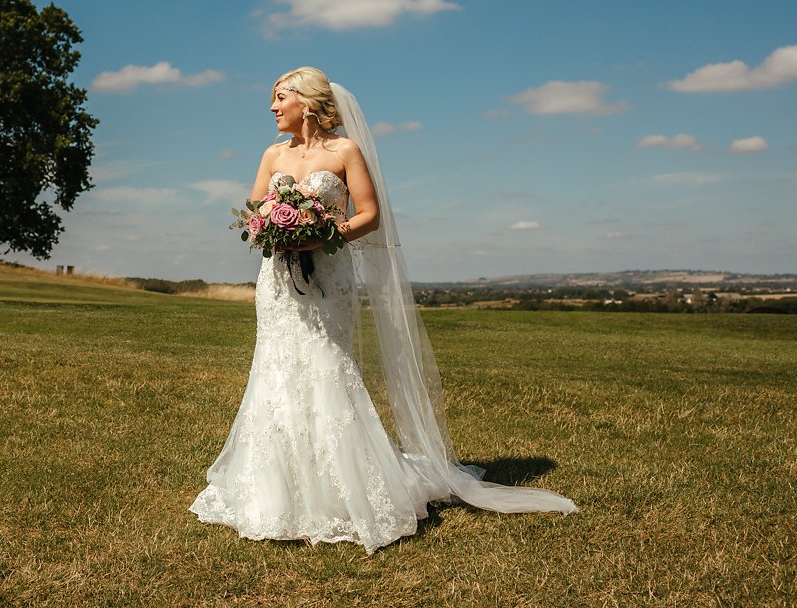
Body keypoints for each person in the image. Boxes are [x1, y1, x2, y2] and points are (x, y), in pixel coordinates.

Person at [189, 66, 577, 554]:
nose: (272, 108)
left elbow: (369, 215)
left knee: (329, 367)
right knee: (275, 370)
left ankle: (347, 491)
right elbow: (253, 211)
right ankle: (274, 494)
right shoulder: (272, 154)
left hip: (329, 280)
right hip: (279, 285)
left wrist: (325, 235)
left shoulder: (345, 151)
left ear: (306, 103)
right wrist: (272, 228)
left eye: (279, 98)